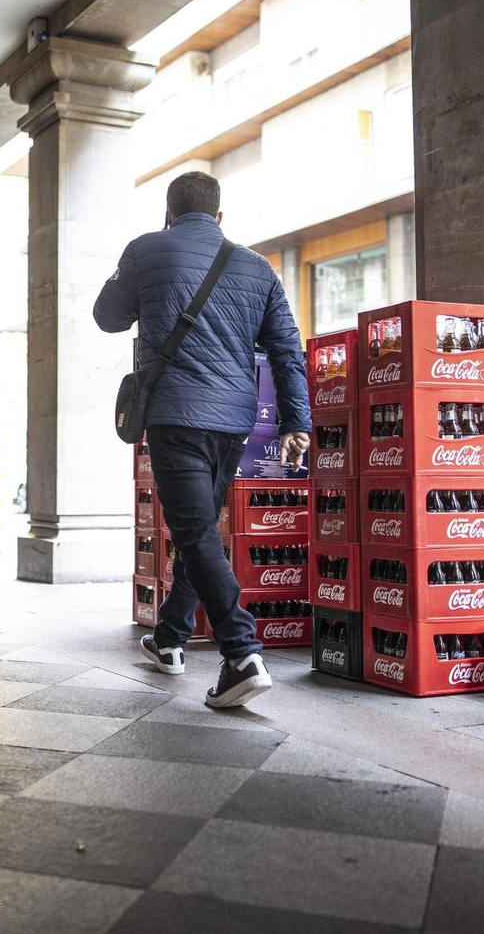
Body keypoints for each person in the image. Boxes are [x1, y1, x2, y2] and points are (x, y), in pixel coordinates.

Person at [94, 171, 310, 708]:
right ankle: (169, 640)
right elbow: (287, 348)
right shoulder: (258, 268)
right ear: (220, 217)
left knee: (193, 533)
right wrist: (295, 422)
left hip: (175, 415)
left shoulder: (146, 249)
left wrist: (144, 286)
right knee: (199, 532)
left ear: (167, 213)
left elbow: (106, 316)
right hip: (234, 423)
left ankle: (240, 653)